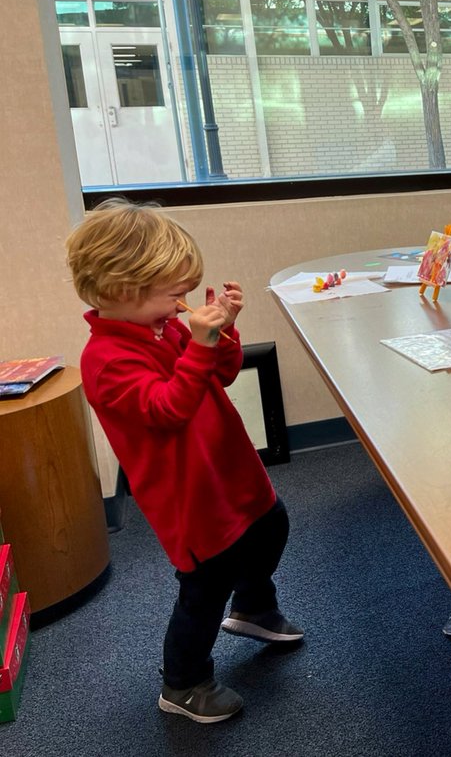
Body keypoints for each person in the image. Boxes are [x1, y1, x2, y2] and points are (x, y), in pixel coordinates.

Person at [65, 198, 303, 724]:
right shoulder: (104, 360)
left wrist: (225, 332)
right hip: (187, 496)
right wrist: (199, 344)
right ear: (120, 289)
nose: (183, 306)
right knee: (205, 587)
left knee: (271, 526)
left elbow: (224, 373)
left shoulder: (167, 328)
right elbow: (167, 409)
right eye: (174, 295)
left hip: (229, 466)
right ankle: (183, 682)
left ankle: (254, 606)